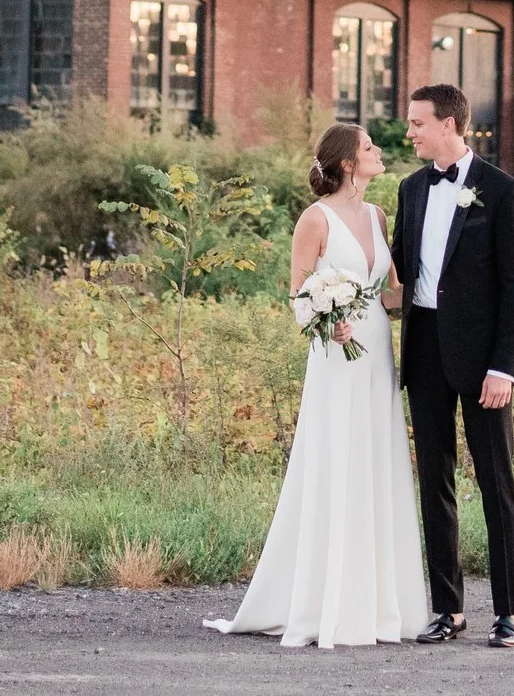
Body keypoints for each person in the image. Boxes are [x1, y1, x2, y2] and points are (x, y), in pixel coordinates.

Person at [205, 123, 431, 647]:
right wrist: (329, 324)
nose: (379, 151)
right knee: (337, 460)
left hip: (377, 352)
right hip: (335, 357)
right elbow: (298, 296)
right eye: (369, 147)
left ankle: (378, 605)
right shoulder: (315, 219)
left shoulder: (378, 216)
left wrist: (446, 292)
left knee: (376, 460)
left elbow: (390, 294)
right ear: (349, 163)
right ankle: (323, 602)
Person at [392, 82, 514, 649]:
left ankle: (509, 613)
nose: (409, 132)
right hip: (424, 349)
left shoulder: (501, 190)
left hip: (482, 361)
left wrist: (505, 367)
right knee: (435, 481)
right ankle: (448, 609)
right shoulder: (410, 189)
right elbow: (399, 271)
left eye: (417, 123)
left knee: (497, 482)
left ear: (448, 124)